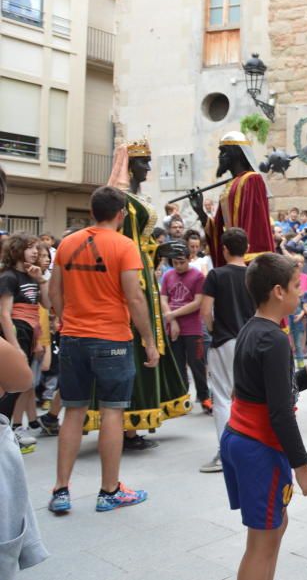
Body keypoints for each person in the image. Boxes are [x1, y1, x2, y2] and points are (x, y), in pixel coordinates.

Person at [221, 253, 307, 580]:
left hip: (239, 439)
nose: (301, 293)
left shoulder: (253, 330)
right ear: (278, 291)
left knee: (275, 526)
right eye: (296, 286)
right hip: (259, 446)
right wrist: (304, 469)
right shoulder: (274, 339)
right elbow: (280, 412)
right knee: (263, 541)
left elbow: (269, 392)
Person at [48, 186, 160, 514]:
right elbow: (135, 297)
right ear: (121, 214)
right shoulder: (124, 245)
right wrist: (149, 341)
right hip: (112, 339)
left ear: (92, 211)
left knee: (73, 411)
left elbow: (54, 291)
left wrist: (63, 319)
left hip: (73, 337)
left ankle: (61, 489)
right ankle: (109, 490)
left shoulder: (67, 242)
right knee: (112, 412)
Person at [89, 138, 191, 448]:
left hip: (145, 274)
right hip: (133, 279)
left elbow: (139, 243)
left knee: (144, 344)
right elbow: (122, 244)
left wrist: (157, 251)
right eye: (142, 161)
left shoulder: (134, 198)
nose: (148, 167)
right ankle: (128, 425)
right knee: (135, 345)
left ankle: (133, 422)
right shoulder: (122, 199)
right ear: (130, 164)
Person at [199, 228, 256, 473]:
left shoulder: (216, 275)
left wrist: (214, 329)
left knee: (222, 397)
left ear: (224, 249)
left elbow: (205, 311)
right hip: (251, 341)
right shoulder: (254, 276)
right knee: (249, 396)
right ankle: (251, 447)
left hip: (225, 340)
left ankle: (227, 453)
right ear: (247, 246)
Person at [195, 132, 275, 269]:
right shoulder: (231, 185)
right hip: (233, 257)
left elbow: (252, 226)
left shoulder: (252, 180)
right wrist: (201, 212)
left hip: (245, 262)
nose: (220, 156)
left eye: (224, 152)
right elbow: (219, 227)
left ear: (236, 154)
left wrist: (243, 261)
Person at [0, 234, 47, 453]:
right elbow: (4, 315)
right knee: (12, 385)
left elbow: (47, 304)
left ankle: (7, 432)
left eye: (36, 248)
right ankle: (5, 432)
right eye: (30, 247)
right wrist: (15, 346)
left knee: (19, 387)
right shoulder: (8, 277)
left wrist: (41, 280)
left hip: (30, 333)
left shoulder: (31, 275)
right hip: (17, 333)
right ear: (17, 249)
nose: (35, 252)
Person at [160, 250, 210, 413]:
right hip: (173, 328)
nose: (179, 266)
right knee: (178, 364)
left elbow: (197, 303)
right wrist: (172, 320)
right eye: (175, 263)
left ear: (189, 259)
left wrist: (171, 315)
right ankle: (181, 398)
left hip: (193, 328)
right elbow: (163, 299)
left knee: (197, 364)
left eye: (182, 262)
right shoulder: (168, 276)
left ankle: (204, 398)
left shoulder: (197, 276)